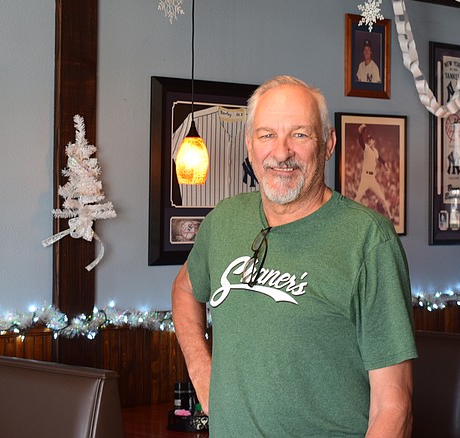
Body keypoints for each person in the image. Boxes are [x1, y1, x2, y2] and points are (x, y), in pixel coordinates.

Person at [171, 75, 416, 437]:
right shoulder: (224, 221)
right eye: (267, 134)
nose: (281, 152)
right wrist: (203, 376)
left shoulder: (368, 240)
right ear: (250, 146)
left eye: (299, 134)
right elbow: (185, 290)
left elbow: (393, 406)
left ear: (328, 144)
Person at [354, 123, 391, 215]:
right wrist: (360, 132)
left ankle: (390, 216)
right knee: (358, 198)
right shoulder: (366, 148)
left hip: (372, 178)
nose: (369, 141)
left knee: (382, 198)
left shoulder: (376, 151)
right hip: (365, 177)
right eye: (368, 140)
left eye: (371, 139)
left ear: (374, 141)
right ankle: (351, 216)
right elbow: (360, 141)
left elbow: (379, 158)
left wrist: (384, 163)